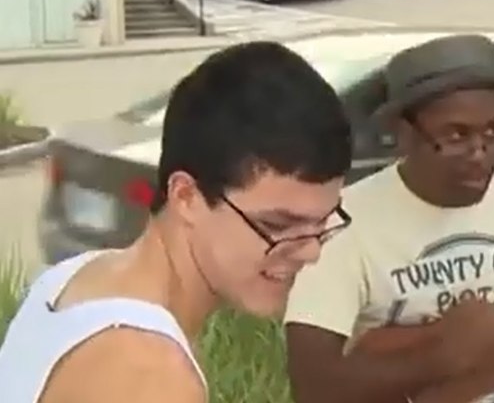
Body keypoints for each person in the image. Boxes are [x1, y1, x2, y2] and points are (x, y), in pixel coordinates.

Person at [283, 34, 494, 403]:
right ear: (403, 133)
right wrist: (442, 356)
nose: (480, 153)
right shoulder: (342, 223)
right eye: (456, 134)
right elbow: (313, 387)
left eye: (493, 132)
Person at [0, 41, 354, 403]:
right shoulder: (150, 375)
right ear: (186, 196)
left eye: (322, 222)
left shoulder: (74, 278)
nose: (310, 252)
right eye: (278, 226)